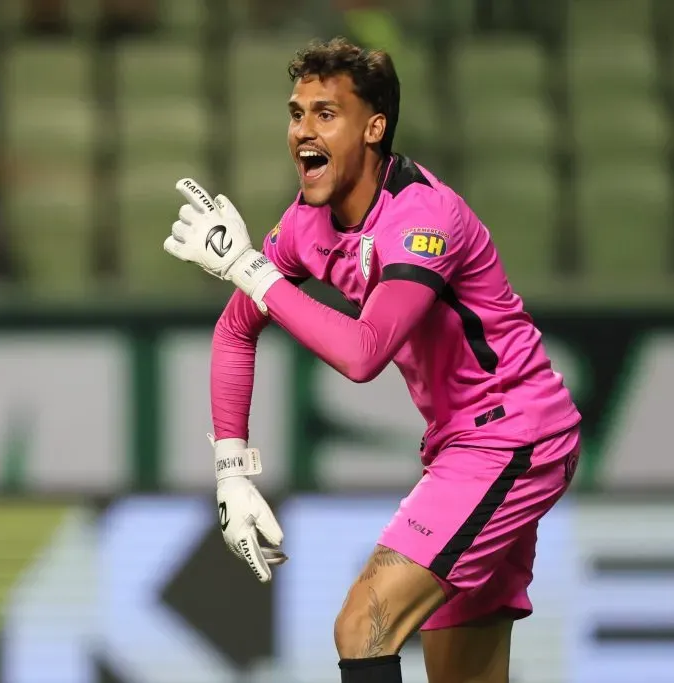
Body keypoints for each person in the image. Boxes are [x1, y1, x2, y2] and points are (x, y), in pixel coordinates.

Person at [163, 38, 581, 683]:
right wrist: (231, 472)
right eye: (297, 112)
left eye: (326, 113)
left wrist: (248, 268)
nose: (303, 129)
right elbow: (235, 331)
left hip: (512, 435)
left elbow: (364, 355)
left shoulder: (424, 217)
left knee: (365, 623)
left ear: (374, 127)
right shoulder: (305, 225)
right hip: (463, 443)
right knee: (464, 675)